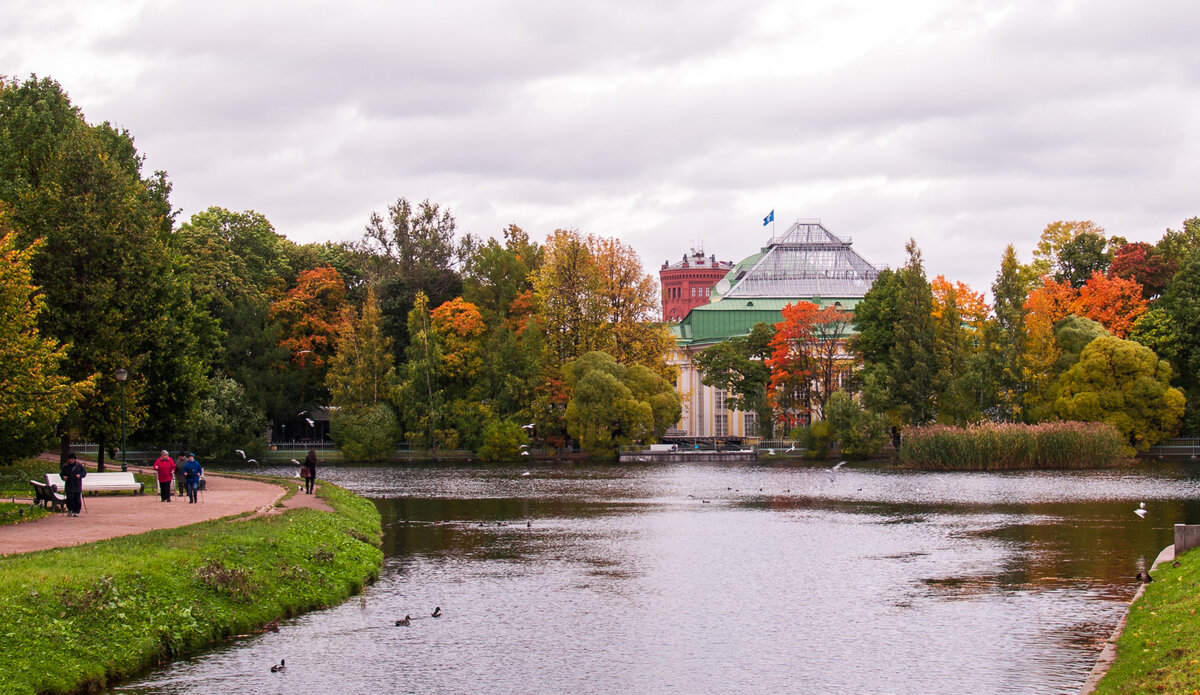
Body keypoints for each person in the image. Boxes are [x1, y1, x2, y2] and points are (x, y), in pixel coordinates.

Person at [60, 452, 87, 517]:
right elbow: (61, 473)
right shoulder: (65, 466)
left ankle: (76, 511)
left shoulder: (79, 466)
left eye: (72, 459)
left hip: (77, 484)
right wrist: (63, 477)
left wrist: (79, 475)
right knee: (69, 498)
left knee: (77, 498)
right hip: (69, 484)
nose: (71, 460)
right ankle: (70, 510)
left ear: (74, 459)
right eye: (70, 459)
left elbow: (84, 473)